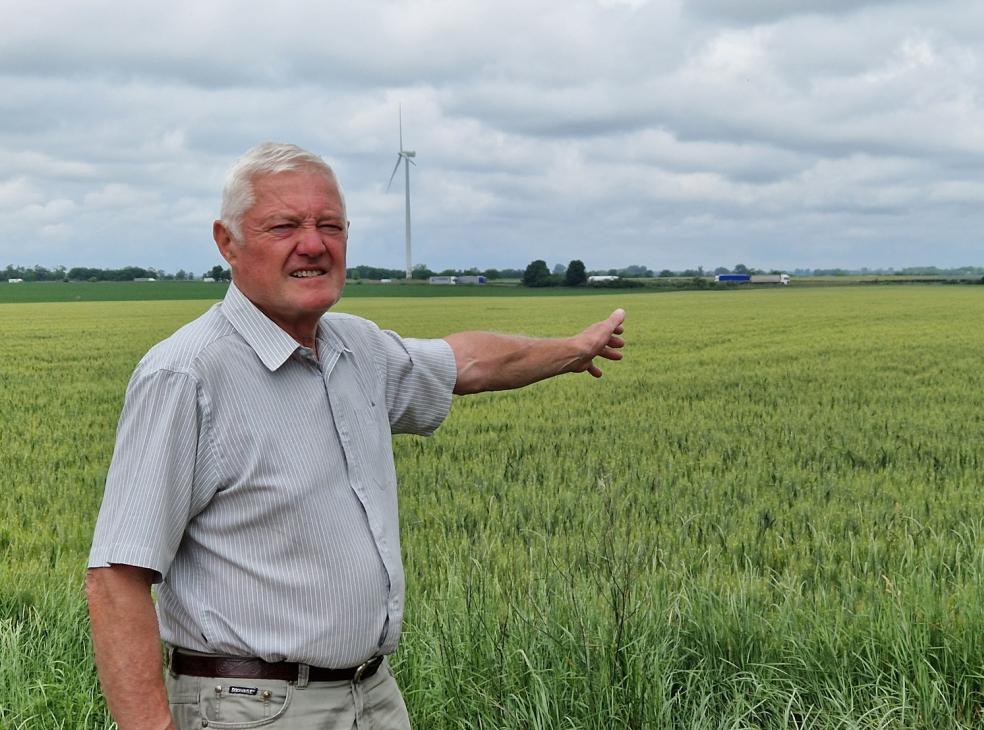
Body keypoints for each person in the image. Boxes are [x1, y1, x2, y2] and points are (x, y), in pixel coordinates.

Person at [85, 142, 626, 729]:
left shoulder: (355, 349)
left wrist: (572, 350)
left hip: (372, 696)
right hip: (252, 708)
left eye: (330, 226)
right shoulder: (187, 374)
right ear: (227, 242)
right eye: (284, 225)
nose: (313, 244)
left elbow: (466, 364)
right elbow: (116, 580)